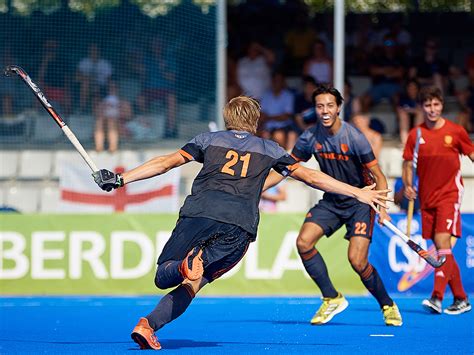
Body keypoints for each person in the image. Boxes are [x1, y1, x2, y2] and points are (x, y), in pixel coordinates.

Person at [92, 96, 392, 350]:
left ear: (227, 118)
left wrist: (120, 179)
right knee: (195, 282)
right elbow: (312, 176)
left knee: (163, 276)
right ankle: (148, 324)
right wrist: (357, 192)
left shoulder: (207, 140)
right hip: (238, 226)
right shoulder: (270, 149)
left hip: (197, 214)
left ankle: (164, 296)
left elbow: (166, 162)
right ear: (256, 121)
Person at [265, 84, 402, 327]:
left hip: (361, 202)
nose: (325, 110)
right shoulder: (309, 137)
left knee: (357, 261)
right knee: (303, 242)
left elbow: (378, 175)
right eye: (320, 106)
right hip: (332, 201)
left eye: (330, 105)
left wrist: (382, 208)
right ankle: (331, 297)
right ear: (315, 109)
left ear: (338, 108)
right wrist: (259, 187)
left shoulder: (354, 138)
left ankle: (387, 305)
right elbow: (287, 168)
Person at [402, 86, 474, 315]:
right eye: (427, 105)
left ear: (442, 105)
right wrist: (407, 185)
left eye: (436, 105)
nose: (432, 109)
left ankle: (437, 297)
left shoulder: (456, 131)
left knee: (443, 242)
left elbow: (472, 154)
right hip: (426, 198)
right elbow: (407, 163)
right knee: (443, 250)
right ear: (422, 108)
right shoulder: (416, 134)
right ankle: (461, 298)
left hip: (449, 195)